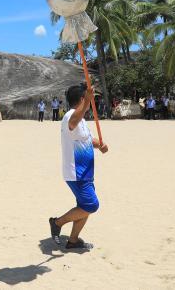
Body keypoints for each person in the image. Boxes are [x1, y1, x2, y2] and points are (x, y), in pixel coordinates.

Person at [49, 84, 108, 249]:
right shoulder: (70, 116)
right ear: (83, 99)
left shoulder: (81, 119)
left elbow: (87, 139)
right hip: (76, 173)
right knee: (91, 205)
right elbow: (73, 123)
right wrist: (87, 101)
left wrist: (101, 144)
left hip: (86, 173)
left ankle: (73, 240)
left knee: (84, 207)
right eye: (88, 98)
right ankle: (57, 222)